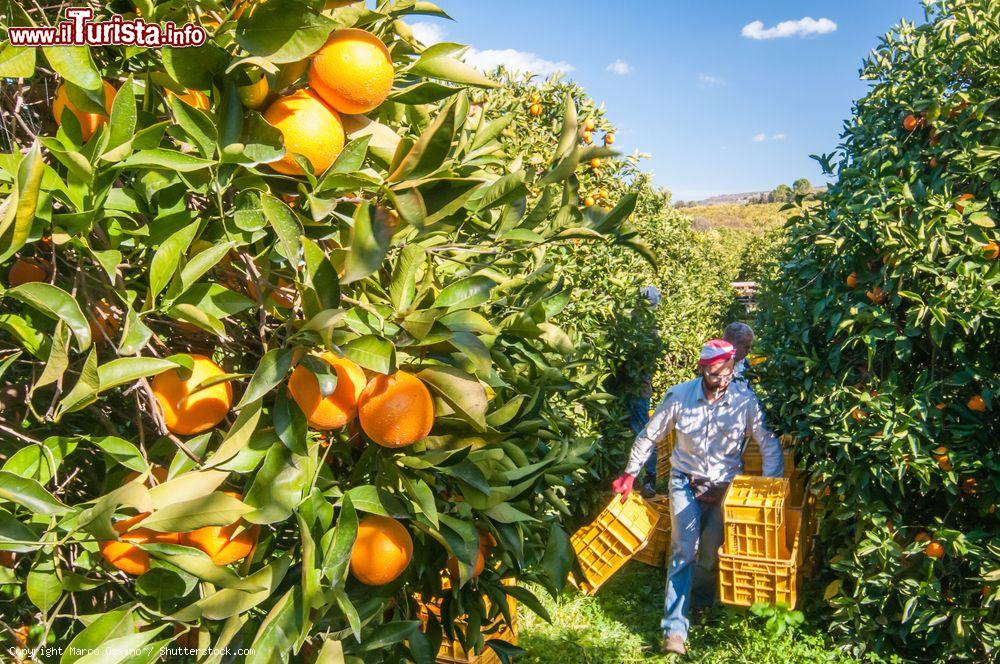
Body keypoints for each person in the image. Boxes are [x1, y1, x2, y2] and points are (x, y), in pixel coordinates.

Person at [611, 339, 784, 656]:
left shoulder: (744, 401)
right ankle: (674, 629)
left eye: (728, 373)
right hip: (685, 482)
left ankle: (701, 601)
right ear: (702, 369)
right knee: (683, 550)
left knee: (710, 552)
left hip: (724, 486)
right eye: (716, 374)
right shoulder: (679, 396)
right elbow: (650, 435)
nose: (722, 381)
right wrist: (630, 473)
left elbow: (768, 443)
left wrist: (770, 489)